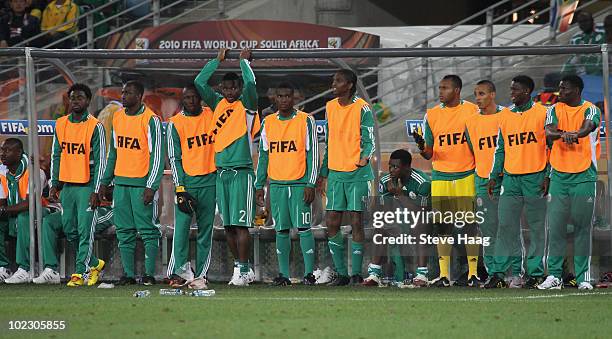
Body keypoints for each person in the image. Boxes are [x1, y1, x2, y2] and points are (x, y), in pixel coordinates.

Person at [194, 48, 260, 286]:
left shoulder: (247, 104)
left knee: (242, 225)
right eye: (226, 88)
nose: (230, 91)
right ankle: (241, 268)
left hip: (241, 172)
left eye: (234, 88)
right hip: (221, 173)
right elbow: (199, 81)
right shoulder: (217, 103)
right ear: (221, 89)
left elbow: (251, 83)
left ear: (239, 89)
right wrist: (216, 61)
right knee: (229, 226)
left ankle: (243, 269)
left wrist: (243, 62)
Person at [413, 75, 480, 287]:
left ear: (457, 90)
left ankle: (473, 274)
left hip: (466, 175)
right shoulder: (431, 114)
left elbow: (477, 144)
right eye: (439, 87)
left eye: (445, 88)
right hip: (440, 176)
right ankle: (443, 275)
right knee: (443, 227)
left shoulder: (472, 111)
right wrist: (422, 146)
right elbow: (428, 154)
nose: (440, 92)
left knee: (470, 226)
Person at [37, 83, 107, 287]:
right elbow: (57, 154)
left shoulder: (96, 126)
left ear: (88, 101)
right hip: (68, 186)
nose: (75, 101)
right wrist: (54, 182)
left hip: (87, 185)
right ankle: (94, 263)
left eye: (80, 98)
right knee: (69, 229)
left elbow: (102, 159)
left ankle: (81, 272)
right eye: (73, 97)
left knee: (85, 230)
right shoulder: (61, 124)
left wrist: (97, 190)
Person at [484, 75, 549, 289]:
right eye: (511, 89)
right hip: (510, 179)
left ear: (528, 91)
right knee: (505, 225)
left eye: (516, 90)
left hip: (535, 177)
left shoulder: (543, 113)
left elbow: (551, 147)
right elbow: (500, 148)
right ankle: (498, 273)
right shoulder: (505, 116)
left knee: (537, 227)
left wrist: (548, 175)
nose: (511, 93)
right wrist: (494, 176)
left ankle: (536, 273)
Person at [99, 80, 164, 286]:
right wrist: (104, 181)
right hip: (121, 185)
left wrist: (151, 186)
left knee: (147, 231)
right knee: (124, 230)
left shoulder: (151, 120)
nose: (123, 96)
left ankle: (149, 275)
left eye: (128, 93)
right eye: (123, 92)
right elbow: (113, 153)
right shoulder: (117, 117)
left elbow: (158, 156)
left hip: (142, 185)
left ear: (139, 96)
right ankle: (127, 274)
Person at [538, 75, 601, 290]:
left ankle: (583, 277)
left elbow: (587, 127)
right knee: (555, 227)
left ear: (576, 90)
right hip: (559, 177)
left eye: (564, 89)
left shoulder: (591, 109)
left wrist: (576, 134)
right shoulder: (554, 109)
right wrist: (565, 134)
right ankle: (554, 275)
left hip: (584, 176)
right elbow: (549, 131)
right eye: (559, 88)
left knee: (583, 228)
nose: (560, 92)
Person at [315, 69, 376, 286]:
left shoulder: (363, 108)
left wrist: (365, 157)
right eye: (333, 80)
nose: (334, 84)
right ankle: (341, 273)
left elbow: (370, 139)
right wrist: (323, 173)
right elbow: (329, 142)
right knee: (331, 222)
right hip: (336, 175)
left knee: (357, 221)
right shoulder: (330, 107)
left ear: (349, 85)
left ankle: (356, 273)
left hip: (358, 174)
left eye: (338, 81)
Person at [255, 83, 318, 286]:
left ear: (294, 98)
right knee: (280, 229)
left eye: (287, 96)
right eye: (280, 96)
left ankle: (309, 274)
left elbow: (313, 154)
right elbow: (264, 155)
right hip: (277, 185)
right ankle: (283, 275)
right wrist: (259, 185)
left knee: (303, 228)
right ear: (275, 98)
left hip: (300, 184)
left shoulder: (306, 121)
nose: (283, 100)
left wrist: (311, 183)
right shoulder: (268, 122)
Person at [465, 80, 524, 287]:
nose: (477, 98)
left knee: (508, 227)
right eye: (475, 94)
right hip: (482, 180)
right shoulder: (471, 122)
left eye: (481, 93)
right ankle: (493, 274)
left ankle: (515, 272)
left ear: (492, 94)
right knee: (488, 230)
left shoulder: (507, 116)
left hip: (505, 180)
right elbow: (475, 150)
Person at [165, 85, 217, 289]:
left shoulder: (212, 115)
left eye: (195, 97)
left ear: (200, 98)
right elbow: (174, 158)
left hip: (210, 180)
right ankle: (179, 271)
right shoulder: (175, 123)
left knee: (206, 230)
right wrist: (180, 188)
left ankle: (202, 274)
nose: (191, 101)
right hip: (186, 183)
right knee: (181, 229)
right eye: (187, 98)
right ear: (182, 100)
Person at [362, 149, 431, 287]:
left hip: (417, 220)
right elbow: (382, 209)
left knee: (421, 225)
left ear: (407, 167)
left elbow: (422, 211)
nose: (391, 170)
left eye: (396, 167)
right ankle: (374, 274)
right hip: (397, 219)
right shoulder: (385, 181)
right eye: (390, 166)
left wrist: (400, 196)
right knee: (380, 224)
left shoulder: (423, 182)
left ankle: (422, 275)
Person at [34, 192, 114, 285]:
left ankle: (85, 270)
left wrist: (96, 192)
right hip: (75, 207)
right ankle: (51, 270)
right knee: (50, 221)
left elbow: (110, 191)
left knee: (82, 226)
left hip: (101, 207)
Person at [2, 139, 46, 284]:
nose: (2, 154)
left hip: (40, 213)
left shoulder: (34, 171)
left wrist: (3, 209)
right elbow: (2, 201)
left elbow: (30, 204)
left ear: (19, 153)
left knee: (24, 216)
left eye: (7, 150)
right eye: (2, 150)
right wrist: (2, 209)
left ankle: (24, 268)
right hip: (13, 213)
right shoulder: (3, 173)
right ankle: (3, 267)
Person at [561, 11, 605, 76]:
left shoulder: (604, 31)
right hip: (583, 72)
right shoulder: (576, 38)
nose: (583, 24)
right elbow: (574, 58)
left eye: (586, 21)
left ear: (592, 21)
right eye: (580, 22)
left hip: (602, 69)